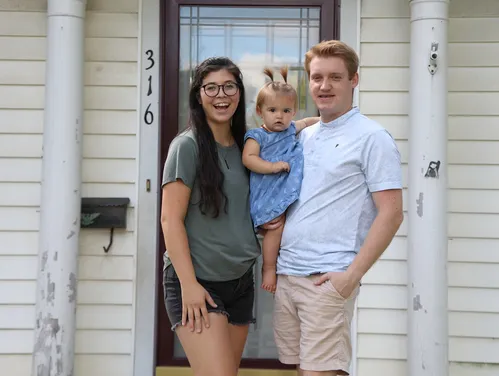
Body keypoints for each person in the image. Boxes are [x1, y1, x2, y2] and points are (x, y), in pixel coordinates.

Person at [273, 40, 404, 376]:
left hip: (326, 278)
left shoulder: (372, 137)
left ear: (354, 80)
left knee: (321, 372)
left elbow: (391, 212)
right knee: (297, 369)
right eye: (317, 78)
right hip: (288, 274)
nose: (324, 86)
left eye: (335, 77)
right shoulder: (304, 137)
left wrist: (351, 276)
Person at [242, 66, 319, 293]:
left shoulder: (290, 129)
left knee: (285, 227)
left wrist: (326, 119)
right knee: (275, 228)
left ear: (293, 112)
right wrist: (273, 166)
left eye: (286, 111)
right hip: (267, 193)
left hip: (283, 192)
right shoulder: (258, 136)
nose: (280, 116)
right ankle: (268, 268)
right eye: (273, 110)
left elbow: (308, 122)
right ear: (260, 111)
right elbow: (249, 159)